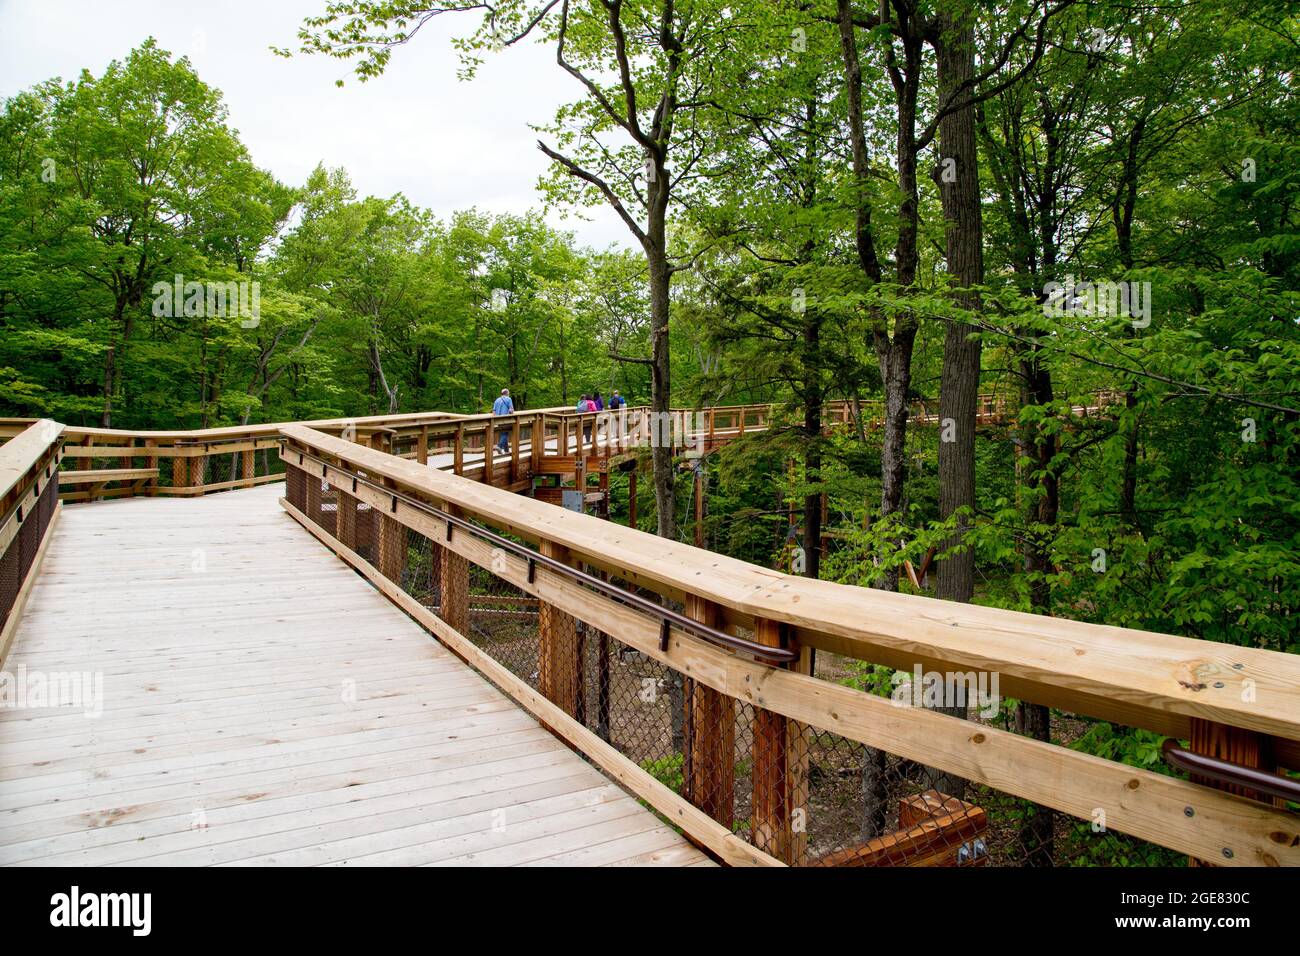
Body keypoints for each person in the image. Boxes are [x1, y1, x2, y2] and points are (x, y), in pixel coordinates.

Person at [492, 388, 514, 453]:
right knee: (505, 434)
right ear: (507, 393)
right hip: (506, 419)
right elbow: (511, 410)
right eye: (508, 393)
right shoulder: (508, 399)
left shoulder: (497, 400)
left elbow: (494, 411)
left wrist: (495, 419)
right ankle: (499, 446)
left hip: (498, 419)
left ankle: (506, 451)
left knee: (503, 433)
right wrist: (511, 412)